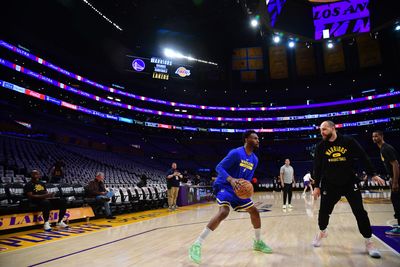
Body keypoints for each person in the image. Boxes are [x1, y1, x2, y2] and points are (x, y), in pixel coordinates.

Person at [189, 130, 272, 264]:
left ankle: (257, 242)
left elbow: (248, 180)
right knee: (224, 212)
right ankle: (197, 244)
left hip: (238, 189)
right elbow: (219, 167)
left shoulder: (255, 159)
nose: (258, 140)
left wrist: (247, 190)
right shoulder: (236, 153)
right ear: (246, 139)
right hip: (224, 185)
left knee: (255, 212)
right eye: (255, 138)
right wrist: (231, 179)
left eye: (258, 138)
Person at [312, 121, 385, 258]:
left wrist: (373, 173)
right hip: (330, 184)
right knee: (323, 213)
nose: (322, 132)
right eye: (321, 130)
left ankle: (369, 241)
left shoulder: (348, 141)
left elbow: (363, 156)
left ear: (333, 128)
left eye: (325, 129)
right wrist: (316, 186)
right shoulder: (320, 146)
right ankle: (322, 232)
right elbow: (317, 166)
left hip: (349, 182)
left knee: (360, 212)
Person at [372, 130, 400, 236]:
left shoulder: (386, 148)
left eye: (376, 136)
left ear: (381, 136)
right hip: (394, 178)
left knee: (396, 201)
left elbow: (396, 164)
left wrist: (395, 181)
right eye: (373, 136)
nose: (374, 138)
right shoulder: (382, 149)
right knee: (395, 200)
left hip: (397, 179)